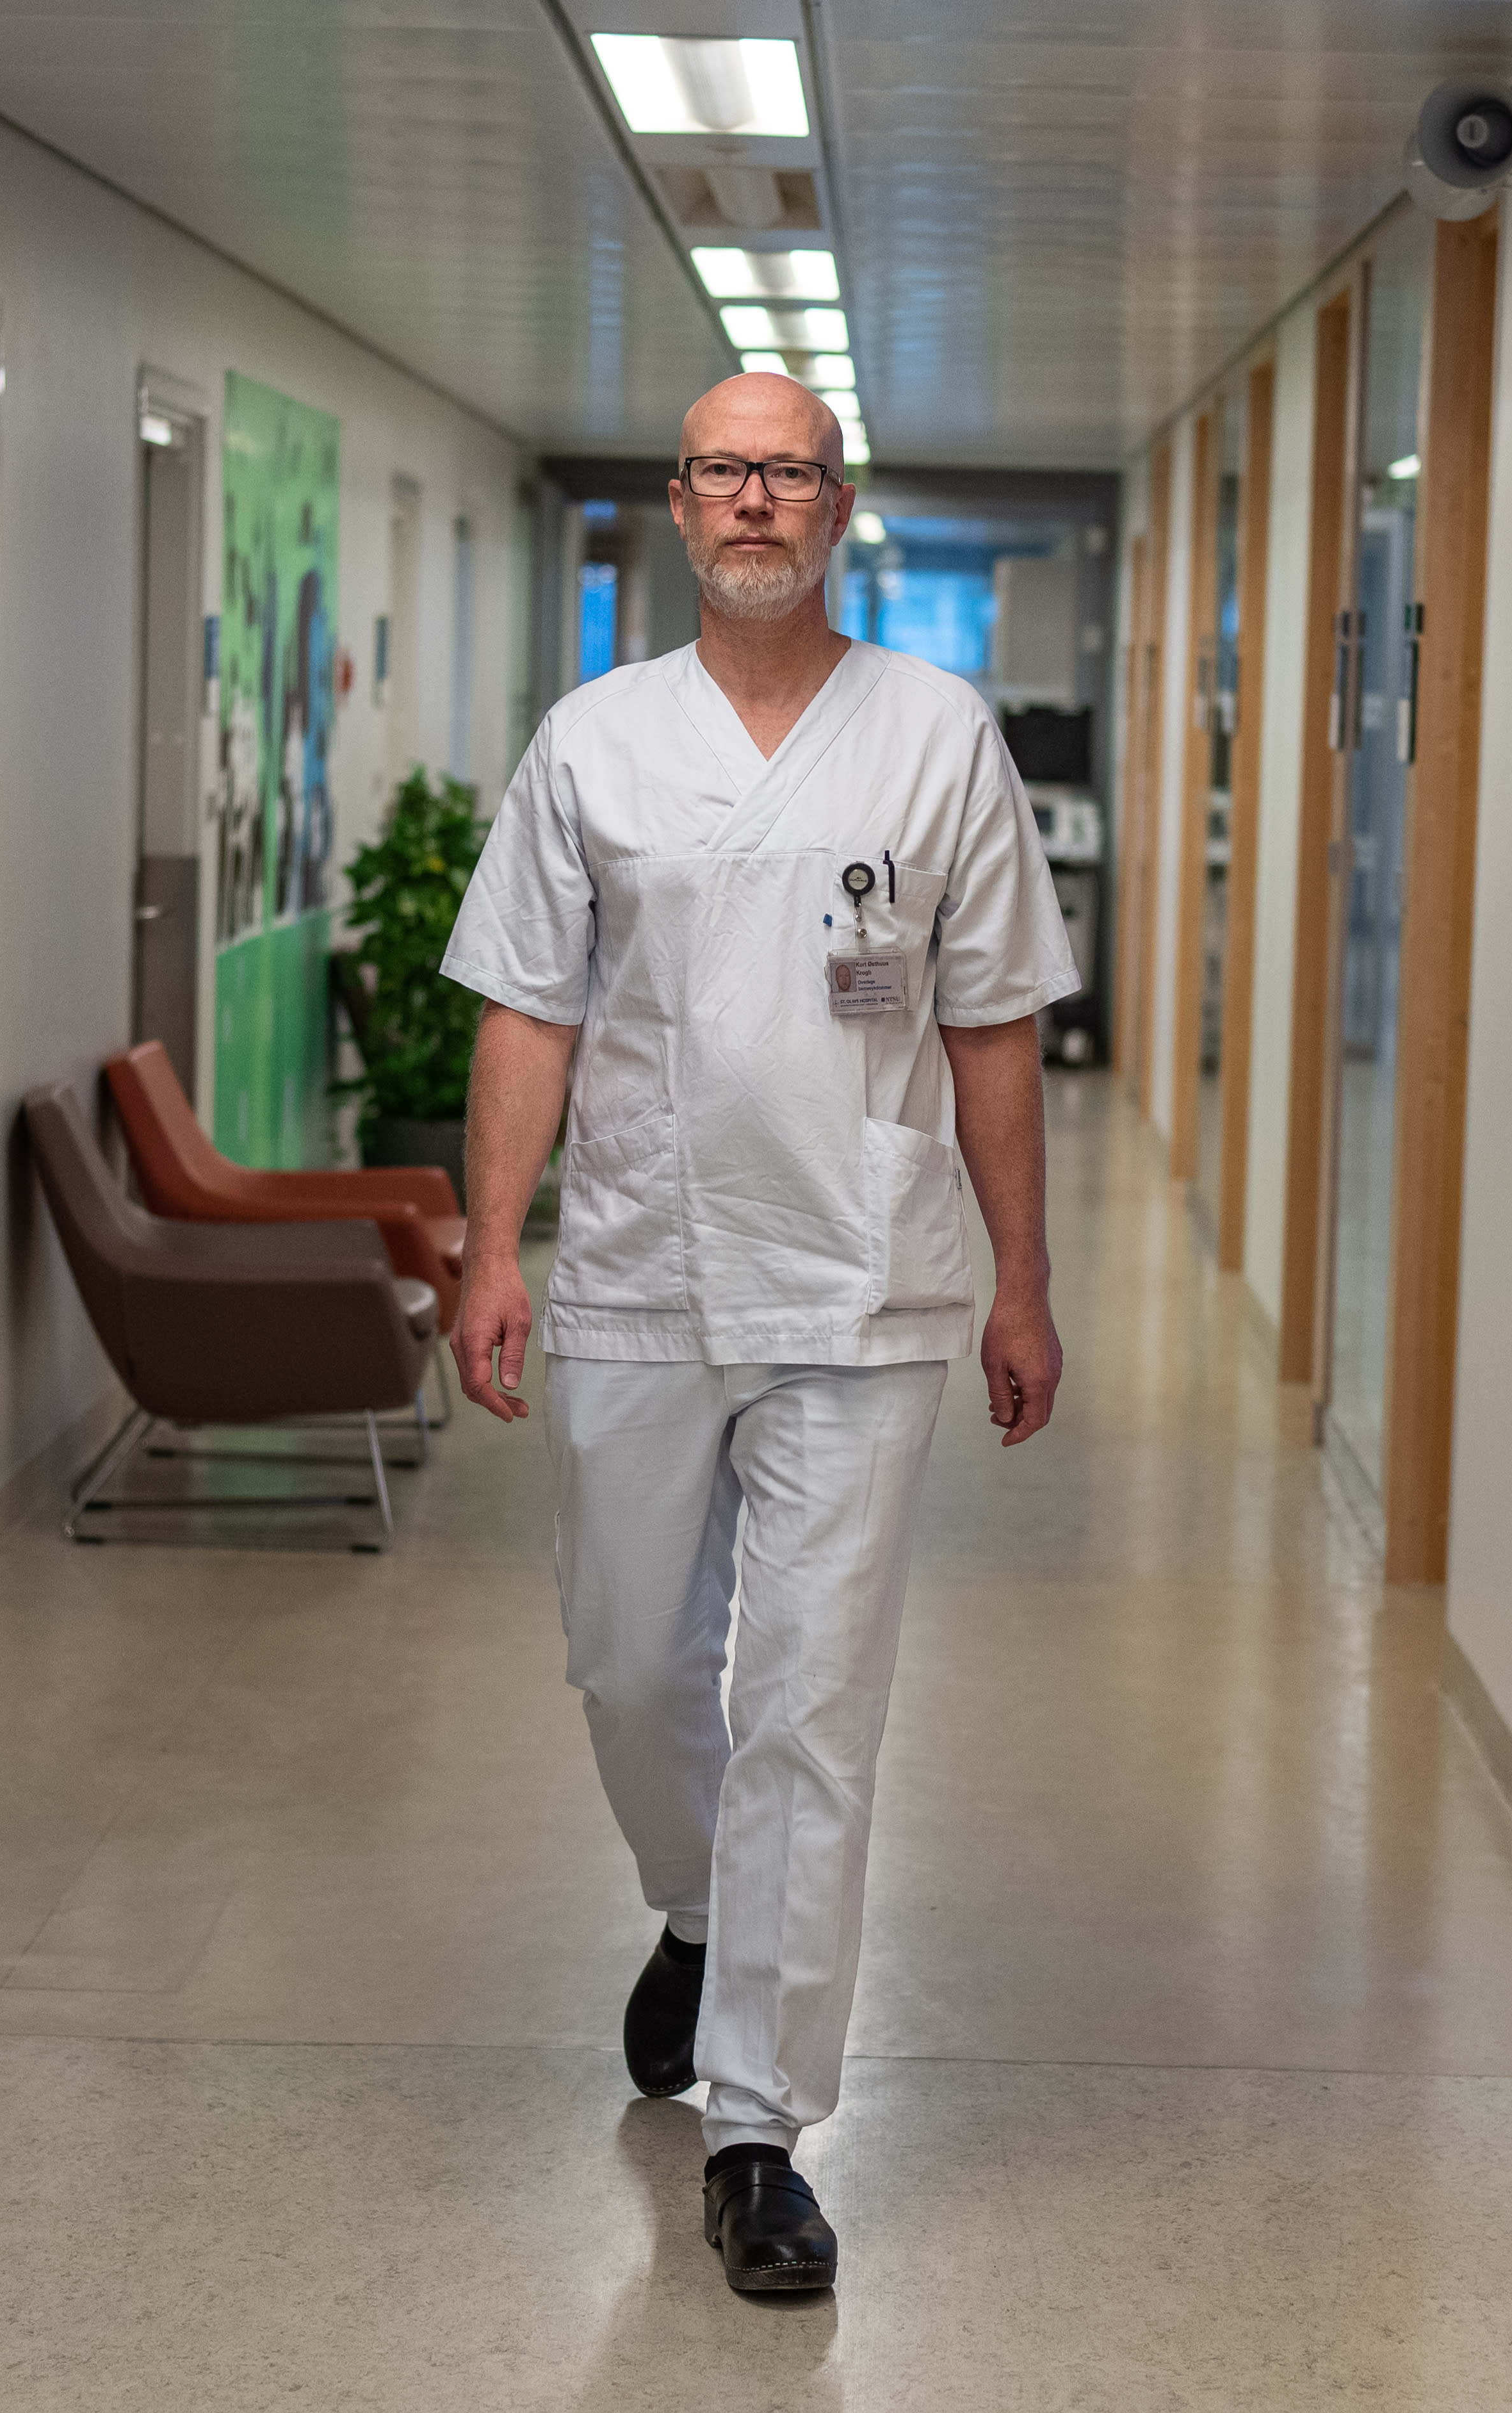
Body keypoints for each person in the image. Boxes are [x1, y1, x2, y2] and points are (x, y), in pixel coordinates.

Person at [438, 372, 1077, 2294]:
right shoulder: (595, 740)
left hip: (862, 1278)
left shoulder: (937, 736)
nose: (754, 500)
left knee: (810, 1702)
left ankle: (758, 2130)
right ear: (679, 501)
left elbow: (992, 1023)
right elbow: (528, 1007)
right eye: (724, 470)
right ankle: (698, 1905)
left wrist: (1022, 1279)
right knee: (631, 1662)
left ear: (836, 507)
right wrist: (490, 1248)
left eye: (788, 472)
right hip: (639, 1263)